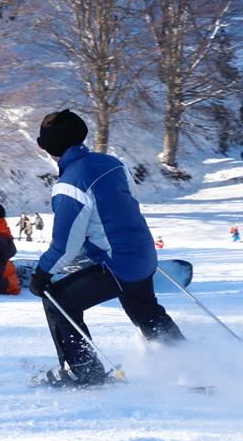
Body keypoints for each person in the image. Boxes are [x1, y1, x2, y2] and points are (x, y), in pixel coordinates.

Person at [29, 109, 184, 387]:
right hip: (143, 253)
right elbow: (131, 202)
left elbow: (65, 245)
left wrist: (42, 273)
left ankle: (85, 372)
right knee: (144, 308)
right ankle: (189, 361)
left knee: (58, 299)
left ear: (48, 147)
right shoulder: (113, 163)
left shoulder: (70, 184)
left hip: (118, 263)